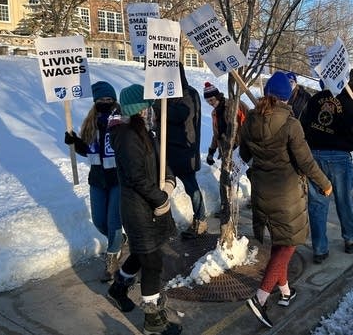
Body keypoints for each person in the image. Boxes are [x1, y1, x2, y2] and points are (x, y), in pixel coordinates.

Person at [239, 72, 332, 328]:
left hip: (262, 192)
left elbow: (244, 155)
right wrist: (324, 184)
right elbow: (305, 161)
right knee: (288, 246)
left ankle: (286, 292)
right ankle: (260, 298)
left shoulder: (249, 121)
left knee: (281, 242)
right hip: (287, 194)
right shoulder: (291, 124)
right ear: (286, 96)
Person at [107, 84, 182, 335]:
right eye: (147, 106)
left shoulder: (146, 133)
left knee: (142, 253)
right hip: (139, 210)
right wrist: (160, 200)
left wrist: (169, 182)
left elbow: (161, 162)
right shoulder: (127, 136)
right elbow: (136, 178)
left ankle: (119, 287)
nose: (152, 111)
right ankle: (153, 321)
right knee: (152, 262)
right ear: (138, 110)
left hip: (152, 205)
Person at [300, 69, 353, 264]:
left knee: (317, 204)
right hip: (340, 157)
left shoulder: (317, 99)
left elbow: (303, 124)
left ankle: (319, 249)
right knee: (344, 201)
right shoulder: (352, 105)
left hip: (314, 156)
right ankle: (351, 239)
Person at [63, 81, 124, 282]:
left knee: (114, 221)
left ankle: (112, 258)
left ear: (114, 101)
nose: (105, 102)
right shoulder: (90, 122)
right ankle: (118, 241)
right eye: (100, 100)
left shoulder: (121, 121)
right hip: (97, 179)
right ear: (95, 102)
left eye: (108, 99)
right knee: (99, 220)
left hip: (117, 178)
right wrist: (75, 142)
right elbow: (88, 150)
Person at [154, 63, 208, 239]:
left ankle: (200, 220)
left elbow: (181, 115)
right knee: (162, 188)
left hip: (184, 151)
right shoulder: (166, 93)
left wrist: (159, 105)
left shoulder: (188, 94)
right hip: (166, 150)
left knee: (191, 188)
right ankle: (162, 224)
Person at [203, 81, 250, 217]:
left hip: (242, 147)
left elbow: (248, 121)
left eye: (211, 99)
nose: (210, 102)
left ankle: (257, 200)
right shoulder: (214, 113)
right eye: (208, 101)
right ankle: (227, 207)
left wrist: (247, 141)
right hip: (227, 150)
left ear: (217, 96)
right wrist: (211, 152)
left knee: (251, 173)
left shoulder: (234, 105)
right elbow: (216, 134)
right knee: (227, 178)